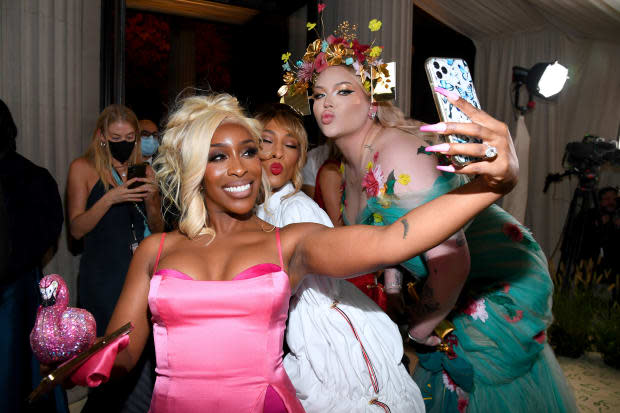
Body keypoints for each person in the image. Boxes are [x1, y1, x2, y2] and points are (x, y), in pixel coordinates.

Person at [66, 90, 518, 412]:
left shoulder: (290, 243)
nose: (241, 166)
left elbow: (389, 239)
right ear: (193, 169)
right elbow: (122, 356)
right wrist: (78, 356)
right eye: (219, 156)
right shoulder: (154, 250)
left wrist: (491, 186)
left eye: (248, 151)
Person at [281, 23, 577, 412]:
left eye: (343, 91)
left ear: (371, 99)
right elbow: (390, 234)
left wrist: (418, 329)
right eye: (319, 94)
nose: (325, 104)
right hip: (444, 289)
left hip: (492, 281)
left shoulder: (397, 155)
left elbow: (452, 261)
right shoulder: (343, 167)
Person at [255, 103, 424, 412]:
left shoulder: (296, 207)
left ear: (299, 158)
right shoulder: (259, 210)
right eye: (267, 141)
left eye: (290, 145)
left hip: (329, 328)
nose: (278, 152)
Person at [66, 104, 163, 412]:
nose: (125, 141)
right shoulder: (83, 168)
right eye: (116, 136)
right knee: (107, 360)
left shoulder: (144, 171)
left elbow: (159, 229)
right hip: (103, 276)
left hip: (140, 276)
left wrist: (151, 202)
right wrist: (111, 198)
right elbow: (77, 228)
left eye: (131, 136)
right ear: (102, 136)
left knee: (141, 358)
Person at [0, 99, 67, 412]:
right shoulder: (37, 176)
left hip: (17, 292)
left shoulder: (32, 177)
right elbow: (50, 231)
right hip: (22, 283)